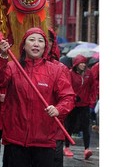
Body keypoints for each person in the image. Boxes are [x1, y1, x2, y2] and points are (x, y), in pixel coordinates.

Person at [0, 27, 75, 167]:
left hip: (44, 142)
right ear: (24, 45)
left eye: (40, 41)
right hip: (15, 141)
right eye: (31, 40)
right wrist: (3, 56)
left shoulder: (56, 70)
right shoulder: (12, 67)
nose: (36, 44)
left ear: (45, 47)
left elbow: (68, 97)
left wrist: (58, 109)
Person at [47, 28, 76, 167]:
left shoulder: (60, 68)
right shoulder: (20, 66)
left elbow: (68, 98)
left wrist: (58, 110)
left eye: (46, 40)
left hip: (53, 130)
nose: (41, 44)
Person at [63, 54, 97, 160]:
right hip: (73, 104)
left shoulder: (89, 73)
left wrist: (91, 99)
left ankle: (87, 149)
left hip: (85, 104)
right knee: (70, 126)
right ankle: (66, 147)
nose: (83, 65)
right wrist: (73, 96)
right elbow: (67, 86)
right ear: (76, 64)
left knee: (86, 127)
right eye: (81, 63)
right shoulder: (70, 74)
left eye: (84, 63)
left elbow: (93, 87)